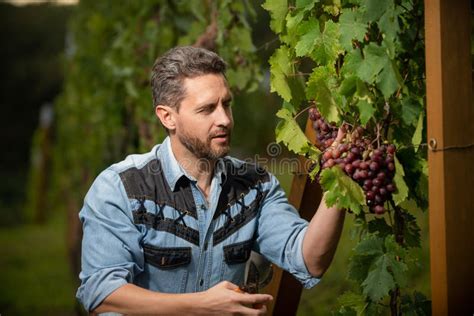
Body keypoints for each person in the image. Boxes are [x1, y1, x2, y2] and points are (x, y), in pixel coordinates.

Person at [76, 46, 346, 315]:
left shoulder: (255, 186)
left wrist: (340, 175)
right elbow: (103, 293)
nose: (224, 120)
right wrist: (202, 305)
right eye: (207, 109)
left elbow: (310, 259)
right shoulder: (121, 188)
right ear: (167, 117)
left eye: (226, 104)